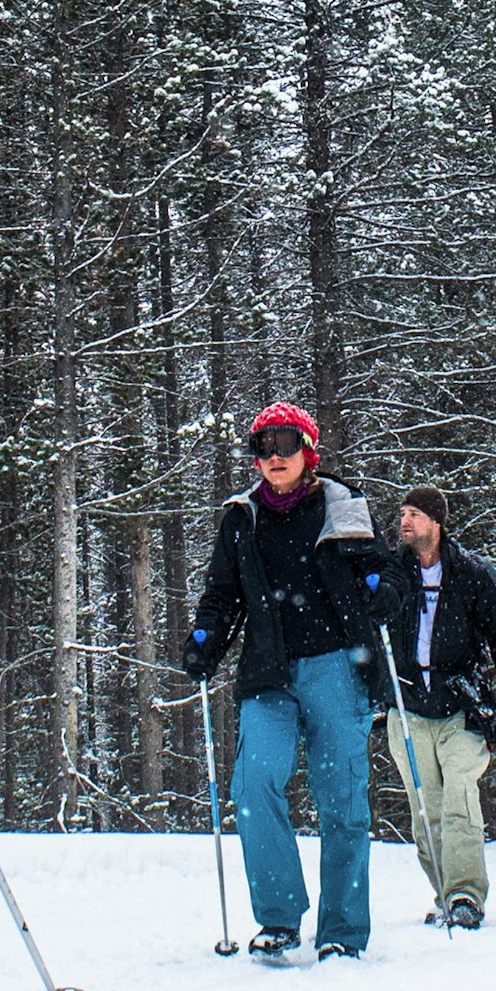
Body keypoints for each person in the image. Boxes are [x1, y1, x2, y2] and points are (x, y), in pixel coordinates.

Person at [184, 402, 392, 961]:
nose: (274, 457)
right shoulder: (241, 516)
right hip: (267, 670)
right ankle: (278, 917)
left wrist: (380, 584)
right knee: (253, 787)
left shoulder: (340, 504)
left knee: (341, 798)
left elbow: (377, 566)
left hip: (336, 665)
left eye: (285, 444)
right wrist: (205, 640)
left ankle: (342, 932)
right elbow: (222, 595)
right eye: (263, 446)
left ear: (307, 449)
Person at [371, 487, 496, 929]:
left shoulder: (470, 574)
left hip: (462, 704)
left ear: (436, 522)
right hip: (408, 705)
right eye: (402, 513)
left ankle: (465, 896)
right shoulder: (392, 575)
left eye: (414, 514)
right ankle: (444, 893)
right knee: (426, 808)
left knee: (459, 796)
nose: (405, 522)